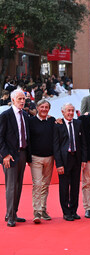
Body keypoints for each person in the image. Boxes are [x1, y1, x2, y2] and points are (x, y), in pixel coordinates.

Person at [0, 89, 32, 227]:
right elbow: (0, 137)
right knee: (11, 186)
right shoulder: (5, 115)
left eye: (23, 99)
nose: (22, 101)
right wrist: (5, 154)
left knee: (18, 186)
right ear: (12, 100)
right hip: (10, 155)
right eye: (19, 99)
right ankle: (10, 215)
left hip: (23, 153)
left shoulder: (25, 115)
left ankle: (13, 212)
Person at [53, 103, 87, 221]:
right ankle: (66, 211)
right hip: (64, 159)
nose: (71, 113)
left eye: (72, 110)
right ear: (62, 112)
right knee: (64, 187)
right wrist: (59, 164)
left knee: (75, 186)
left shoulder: (78, 123)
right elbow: (56, 146)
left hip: (76, 159)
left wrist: (83, 159)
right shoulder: (58, 125)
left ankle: (73, 210)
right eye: (68, 111)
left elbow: (83, 143)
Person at [28, 99, 55, 223]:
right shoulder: (31, 122)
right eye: (42, 107)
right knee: (37, 184)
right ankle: (37, 212)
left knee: (45, 185)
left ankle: (43, 209)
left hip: (50, 157)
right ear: (37, 108)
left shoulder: (52, 121)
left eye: (46, 107)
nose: (44, 109)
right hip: (35, 158)